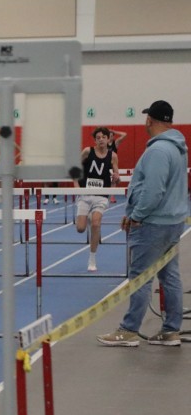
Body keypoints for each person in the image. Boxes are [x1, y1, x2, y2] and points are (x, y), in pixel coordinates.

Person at [98, 100, 187, 347]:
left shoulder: (158, 151)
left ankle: (129, 330)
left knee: (140, 277)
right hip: (172, 222)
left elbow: (153, 191)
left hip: (153, 224)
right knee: (169, 276)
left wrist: (136, 215)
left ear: (149, 120)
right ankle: (171, 331)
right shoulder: (177, 148)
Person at [76, 127, 118, 272]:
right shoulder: (87, 151)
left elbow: (116, 176)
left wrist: (114, 182)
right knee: (80, 228)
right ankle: (88, 217)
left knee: (96, 223)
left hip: (101, 195)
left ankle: (92, 259)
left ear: (108, 139)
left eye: (103, 137)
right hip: (85, 194)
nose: (101, 140)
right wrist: (76, 187)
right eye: (98, 138)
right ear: (95, 140)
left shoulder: (113, 156)